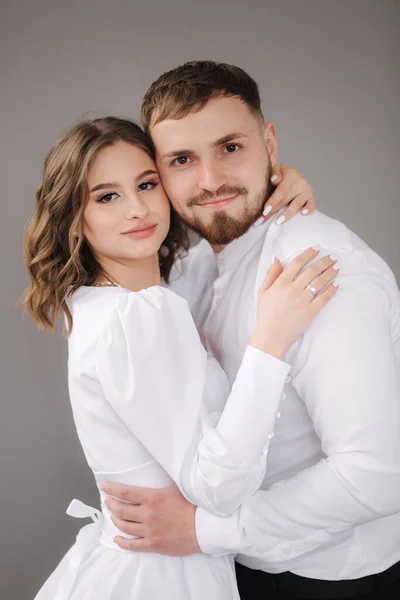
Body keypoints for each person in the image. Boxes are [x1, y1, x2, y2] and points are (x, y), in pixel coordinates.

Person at [103, 61, 400, 600]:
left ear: (269, 142)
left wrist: (201, 531)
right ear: (158, 175)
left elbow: (376, 475)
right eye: (182, 160)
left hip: (324, 578)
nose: (211, 180)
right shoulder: (190, 269)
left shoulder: (318, 268)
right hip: (228, 569)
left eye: (231, 148)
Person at [24, 116, 336, 599]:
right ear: (74, 218)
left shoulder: (107, 301)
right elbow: (218, 487)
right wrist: (270, 342)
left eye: (147, 184)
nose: (137, 209)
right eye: (107, 196)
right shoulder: (136, 315)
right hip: (162, 578)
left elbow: (206, 263)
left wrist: (274, 187)